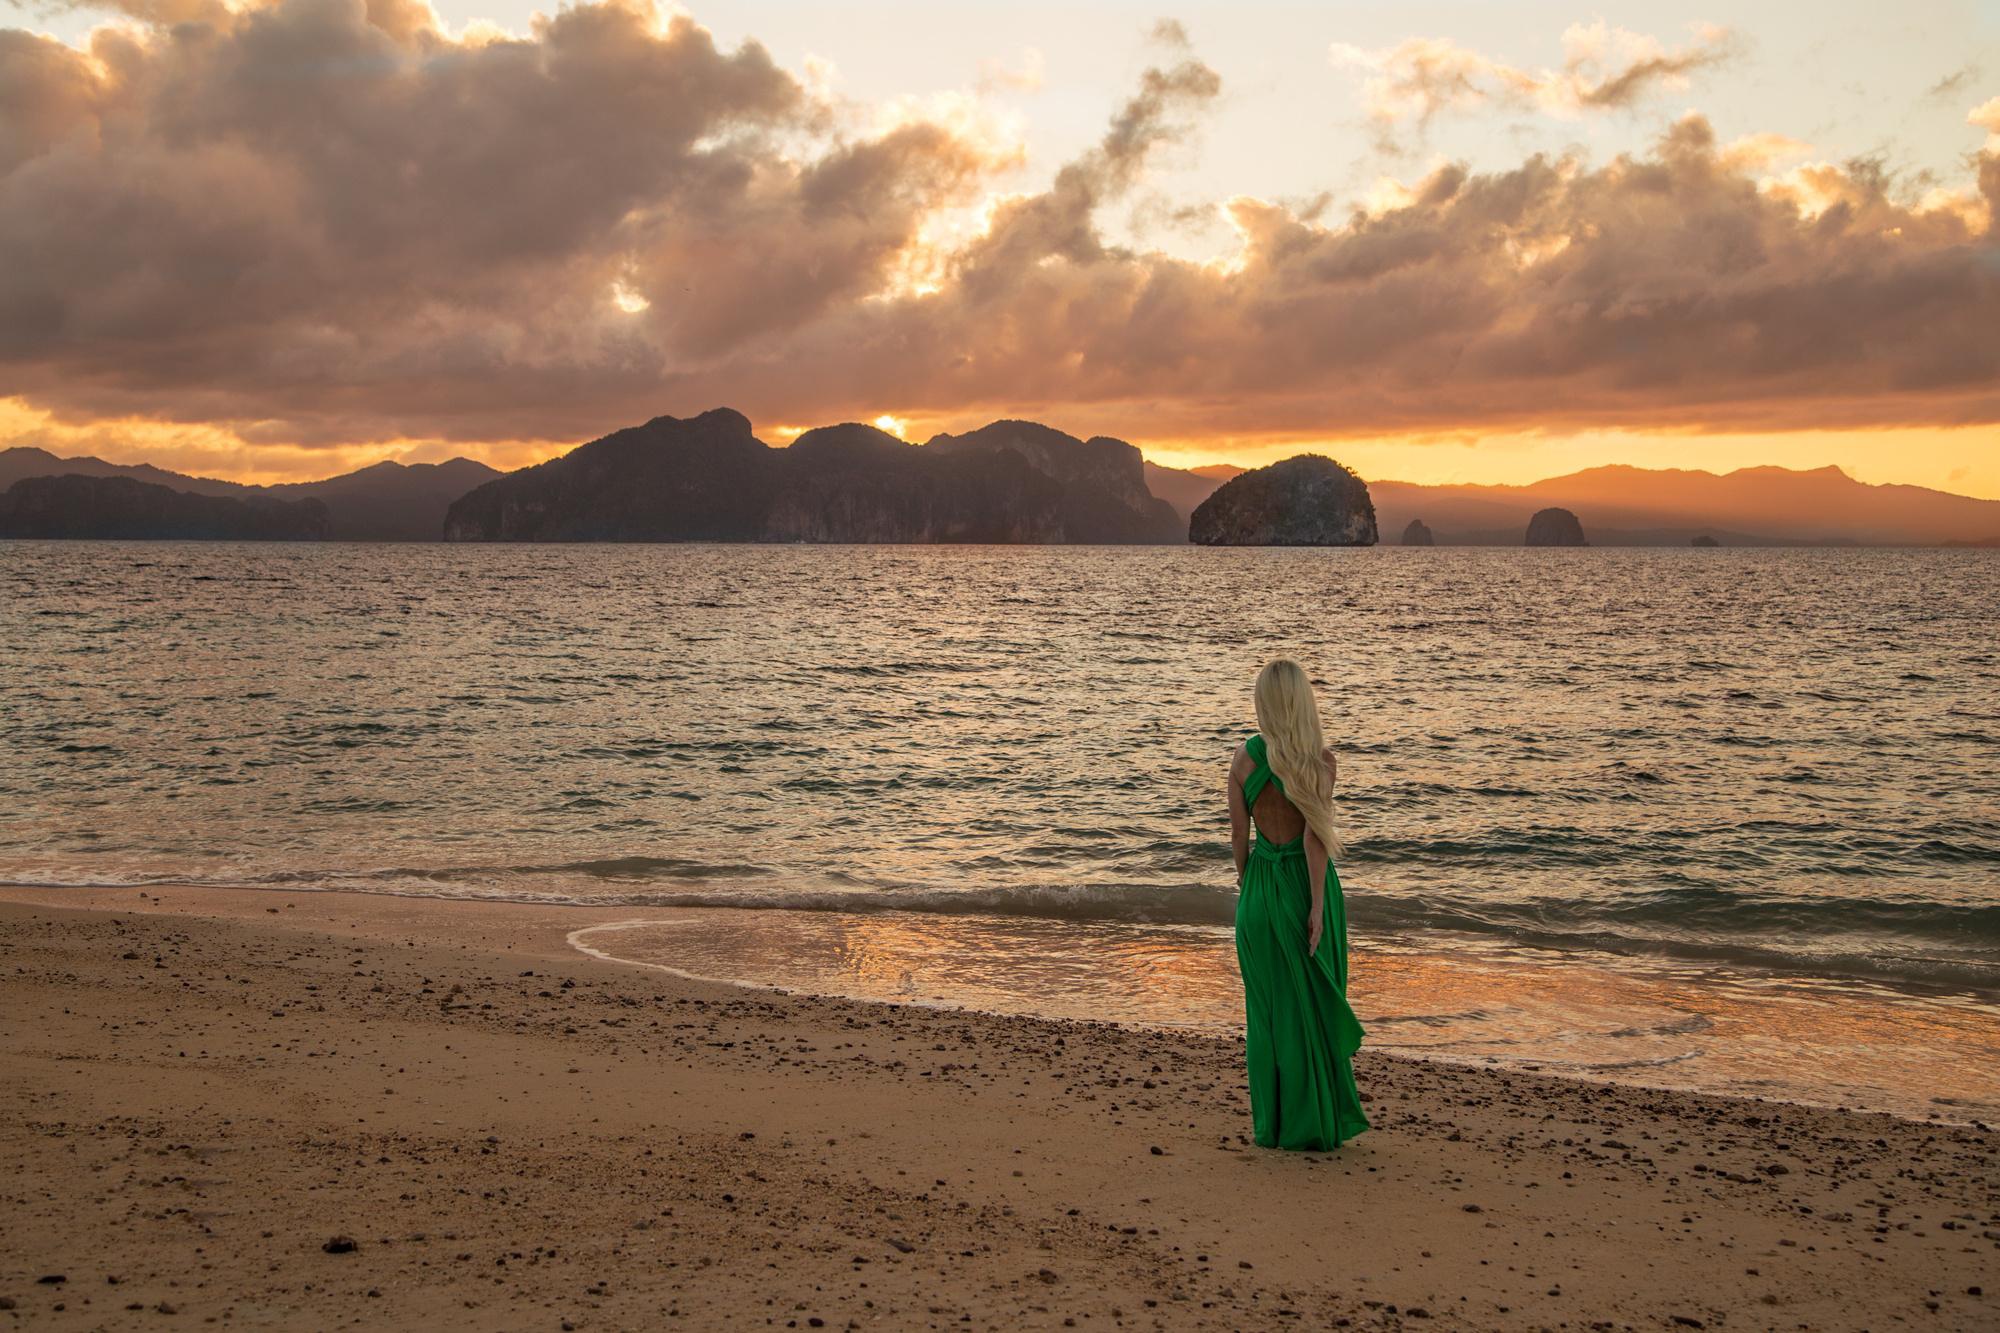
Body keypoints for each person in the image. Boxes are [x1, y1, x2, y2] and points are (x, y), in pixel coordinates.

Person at [1228, 658, 1368, 1150]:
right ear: (1303, 702)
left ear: (1264, 703)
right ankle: (1313, 1124)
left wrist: (1251, 896)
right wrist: (1316, 908)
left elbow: (1239, 841)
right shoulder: (1320, 761)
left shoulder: (1243, 761)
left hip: (1259, 894)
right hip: (1304, 888)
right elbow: (1313, 841)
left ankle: (1272, 1126)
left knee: (1265, 1015)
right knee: (1309, 1007)